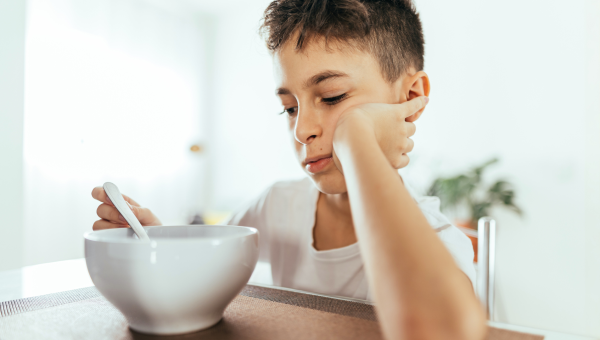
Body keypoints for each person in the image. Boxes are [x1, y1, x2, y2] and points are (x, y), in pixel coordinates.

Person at [91, 0, 487, 339]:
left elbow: (440, 328)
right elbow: (201, 274)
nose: (301, 130)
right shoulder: (278, 204)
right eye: (290, 107)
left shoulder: (438, 243)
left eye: (332, 97)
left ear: (411, 97)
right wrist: (157, 239)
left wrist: (356, 138)